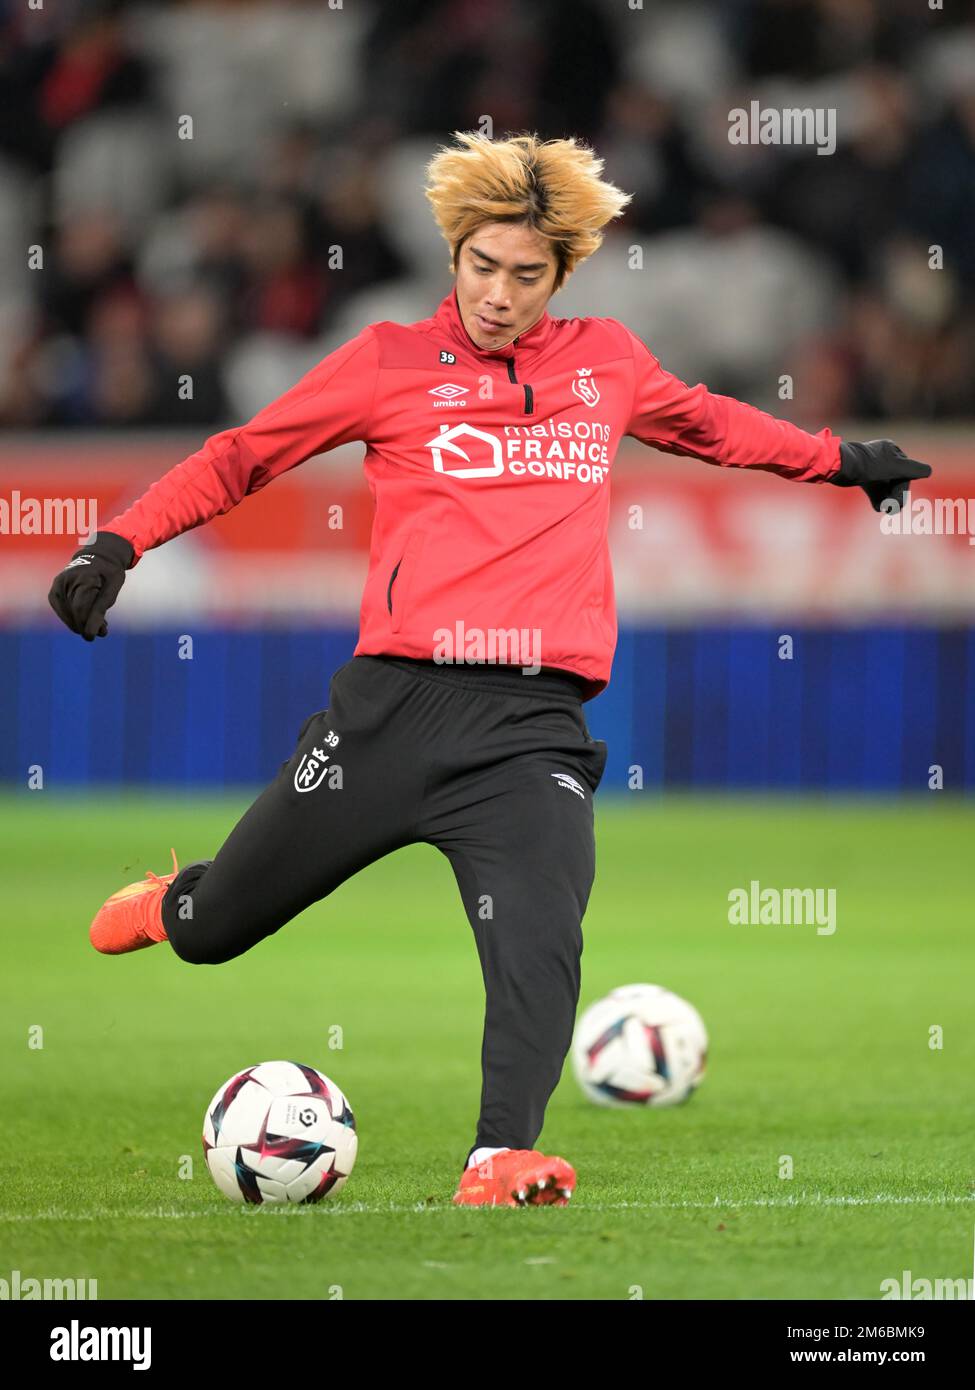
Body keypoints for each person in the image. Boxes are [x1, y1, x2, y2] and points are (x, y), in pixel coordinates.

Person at [48, 130, 931, 1208]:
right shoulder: (384, 362)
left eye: (527, 275)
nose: (500, 295)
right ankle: (172, 904)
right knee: (218, 930)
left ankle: (499, 1155)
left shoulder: (607, 361)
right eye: (482, 267)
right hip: (389, 713)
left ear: (561, 278)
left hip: (531, 730)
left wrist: (844, 459)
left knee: (543, 939)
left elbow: (711, 426)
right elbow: (242, 455)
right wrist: (115, 542)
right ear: (453, 256)